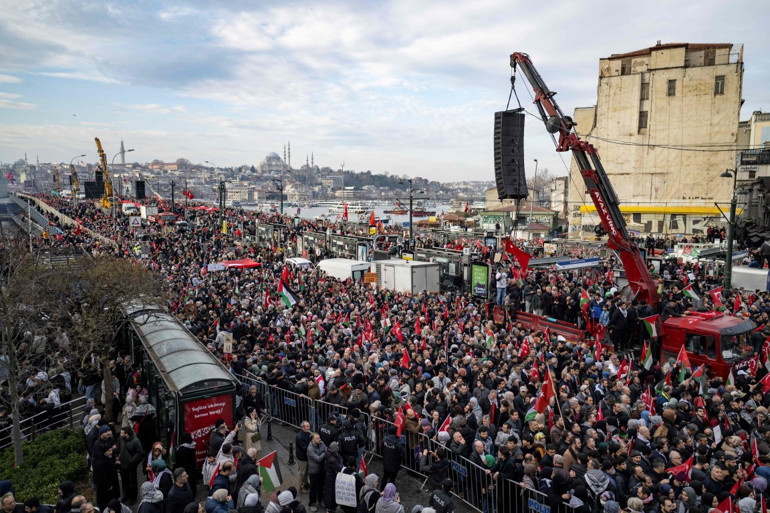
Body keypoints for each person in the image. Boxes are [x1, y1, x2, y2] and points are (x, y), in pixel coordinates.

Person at [118, 426, 144, 504]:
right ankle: (127, 495)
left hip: (131, 466)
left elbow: (140, 452)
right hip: (123, 465)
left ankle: (133, 497)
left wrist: (131, 460)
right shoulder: (121, 439)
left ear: (127, 434)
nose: (120, 434)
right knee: (125, 482)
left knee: (132, 482)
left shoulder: (135, 441)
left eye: (122, 433)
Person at [307, 433, 327, 512]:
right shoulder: (310, 448)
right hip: (314, 472)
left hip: (322, 469)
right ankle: (312, 503)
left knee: (322, 487)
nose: (320, 439)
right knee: (314, 489)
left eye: (319, 438)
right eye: (317, 438)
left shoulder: (321, 443)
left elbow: (326, 450)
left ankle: (320, 500)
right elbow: (318, 459)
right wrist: (324, 453)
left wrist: (324, 453)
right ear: (313, 439)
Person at [380, 426, 404, 491]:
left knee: (385, 476)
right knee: (392, 479)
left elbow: (381, 449)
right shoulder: (398, 442)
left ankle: (382, 490)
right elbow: (402, 453)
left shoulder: (384, 439)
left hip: (386, 462)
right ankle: (389, 492)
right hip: (395, 464)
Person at [174, 433, 198, 497]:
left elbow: (178, 460)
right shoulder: (191, 446)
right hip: (191, 467)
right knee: (192, 480)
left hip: (184, 468)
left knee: (187, 481)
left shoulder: (182, 449)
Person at [324, 442, 343, 513]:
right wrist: (340, 463)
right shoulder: (332, 459)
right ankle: (329, 508)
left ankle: (330, 507)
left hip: (329, 476)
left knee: (329, 492)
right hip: (331, 477)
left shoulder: (328, 453)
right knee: (330, 492)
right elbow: (339, 467)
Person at [296, 421, 312, 494]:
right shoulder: (300, 437)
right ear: (302, 427)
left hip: (306, 457)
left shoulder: (307, 433)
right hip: (302, 458)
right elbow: (305, 448)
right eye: (307, 426)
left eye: (309, 426)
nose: (309, 428)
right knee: (302, 473)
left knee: (306, 472)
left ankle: (305, 483)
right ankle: (301, 486)